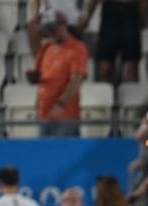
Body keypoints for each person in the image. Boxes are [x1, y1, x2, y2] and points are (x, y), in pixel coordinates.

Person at [27, 0, 89, 137]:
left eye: (53, 29)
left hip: (65, 116)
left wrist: (59, 105)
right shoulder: (46, 48)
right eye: (48, 30)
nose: (51, 33)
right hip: (44, 114)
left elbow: (75, 82)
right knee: (44, 155)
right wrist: (33, 78)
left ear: (63, 26)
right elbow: (40, 76)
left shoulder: (77, 48)